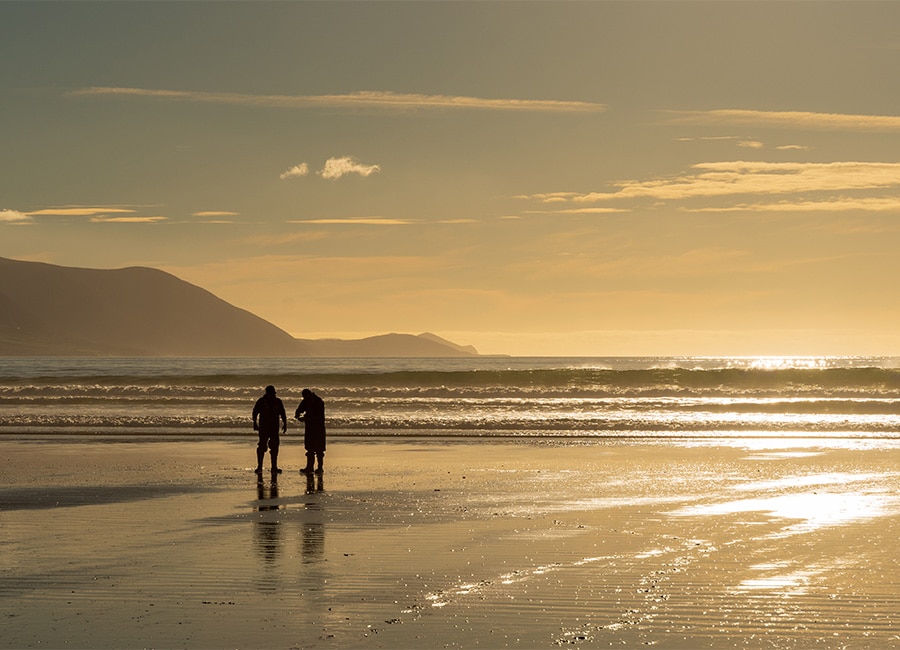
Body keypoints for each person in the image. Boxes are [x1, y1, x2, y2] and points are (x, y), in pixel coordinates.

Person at [252, 385, 287, 475]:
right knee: (262, 446)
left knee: (274, 447)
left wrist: (285, 423)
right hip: (264, 427)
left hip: (274, 428)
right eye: (272, 394)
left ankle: (274, 467)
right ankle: (259, 466)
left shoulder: (278, 401)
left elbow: (283, 413)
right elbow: (255, 412)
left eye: (273, 394)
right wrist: (255, 423)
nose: (273, 395)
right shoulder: (261, 401)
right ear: (267, 393)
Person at [295, 388, 326, 474]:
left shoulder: (319, 402)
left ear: (309, 395)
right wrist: (297, 413)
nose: (305, 399)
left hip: (319, 428)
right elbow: (300, 408)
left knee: (319, 449)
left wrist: (307, 418)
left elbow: (320, 416)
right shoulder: (306, 400)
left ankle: (320, 468)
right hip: (309, 427)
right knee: (309, 448)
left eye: (305, 397)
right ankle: (310, 467)